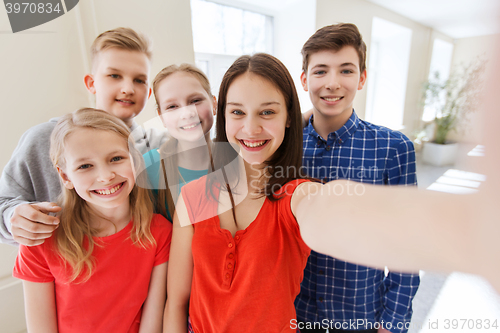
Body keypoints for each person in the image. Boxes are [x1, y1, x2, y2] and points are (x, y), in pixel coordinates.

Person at [295, 23, 419, 333]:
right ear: (304, 79)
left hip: (359, 316)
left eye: (346, 71)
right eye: (320, 71)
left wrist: (392, 324)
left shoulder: (393, 148)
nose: (332, 83)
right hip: (291, 315)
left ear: (362, 78)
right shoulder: (285, 147)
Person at [0, 27, 166, 246]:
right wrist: (13, 218)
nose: (127, 88)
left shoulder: (159, 148)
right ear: (91, 83)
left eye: (139, 80)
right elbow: (5, 202)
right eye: (114, 75)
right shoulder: (42, 139)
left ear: (149, 92)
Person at [13, 108, 172, 333]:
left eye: (116, 158)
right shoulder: (42, 239)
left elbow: (153, 319)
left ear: (134, 160)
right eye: (85, 166)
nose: (106, 176)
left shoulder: (160, 232)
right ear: (66, 176)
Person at [142, 64, 216, 221]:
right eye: (172, 106)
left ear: (214, 104)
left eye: (195, 100)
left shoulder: (237, 160)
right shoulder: (149, 166)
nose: (187, 113)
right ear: (161, 116)